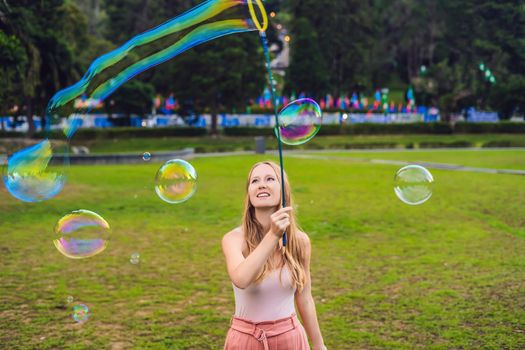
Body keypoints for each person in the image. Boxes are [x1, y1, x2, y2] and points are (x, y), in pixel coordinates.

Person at [222, 161, 327, 350]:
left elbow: (305, 298)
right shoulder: (233, 239)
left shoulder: (300, 242)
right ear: (249, 194)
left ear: (283, 191)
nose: (262, 184)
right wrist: (273, 235)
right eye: (255, 181)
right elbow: (241, 278)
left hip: (291, 338)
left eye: (270, 178)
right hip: (246, 340)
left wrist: (319, 346)